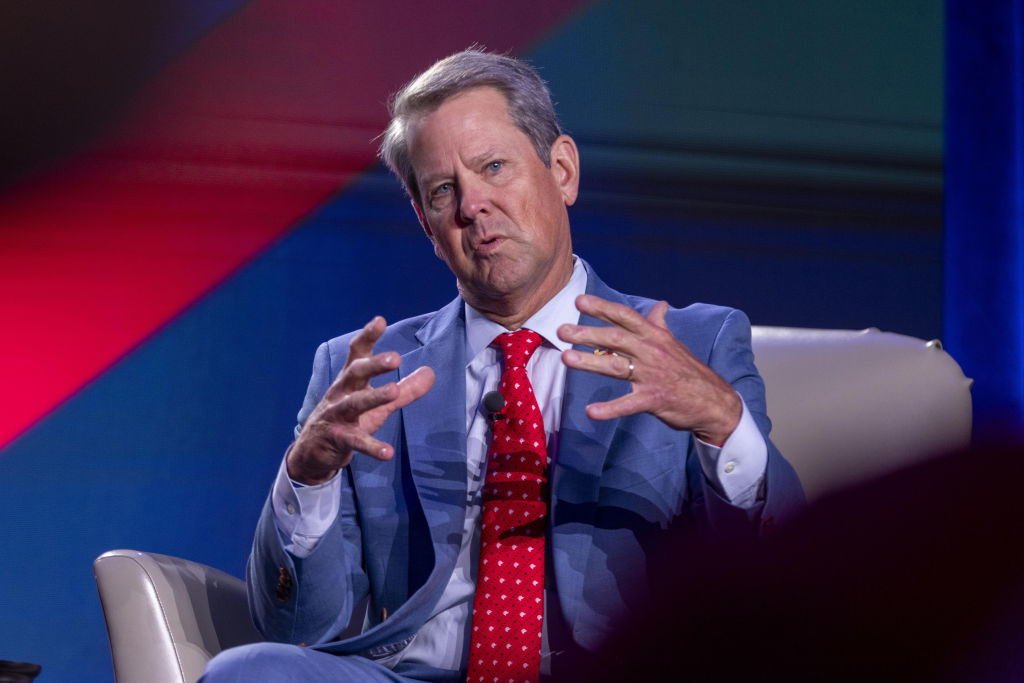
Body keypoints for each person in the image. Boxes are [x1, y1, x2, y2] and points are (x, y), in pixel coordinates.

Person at [201, 48, 804, 682]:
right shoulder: (366, 373)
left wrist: (722, 423)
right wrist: (309, 474)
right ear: (427, 225)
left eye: (494, 167)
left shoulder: (691, 344)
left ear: (563, 171)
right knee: (252, 671)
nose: (472, 206)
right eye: (442, 191)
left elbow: (786, 576)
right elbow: (299, 629)